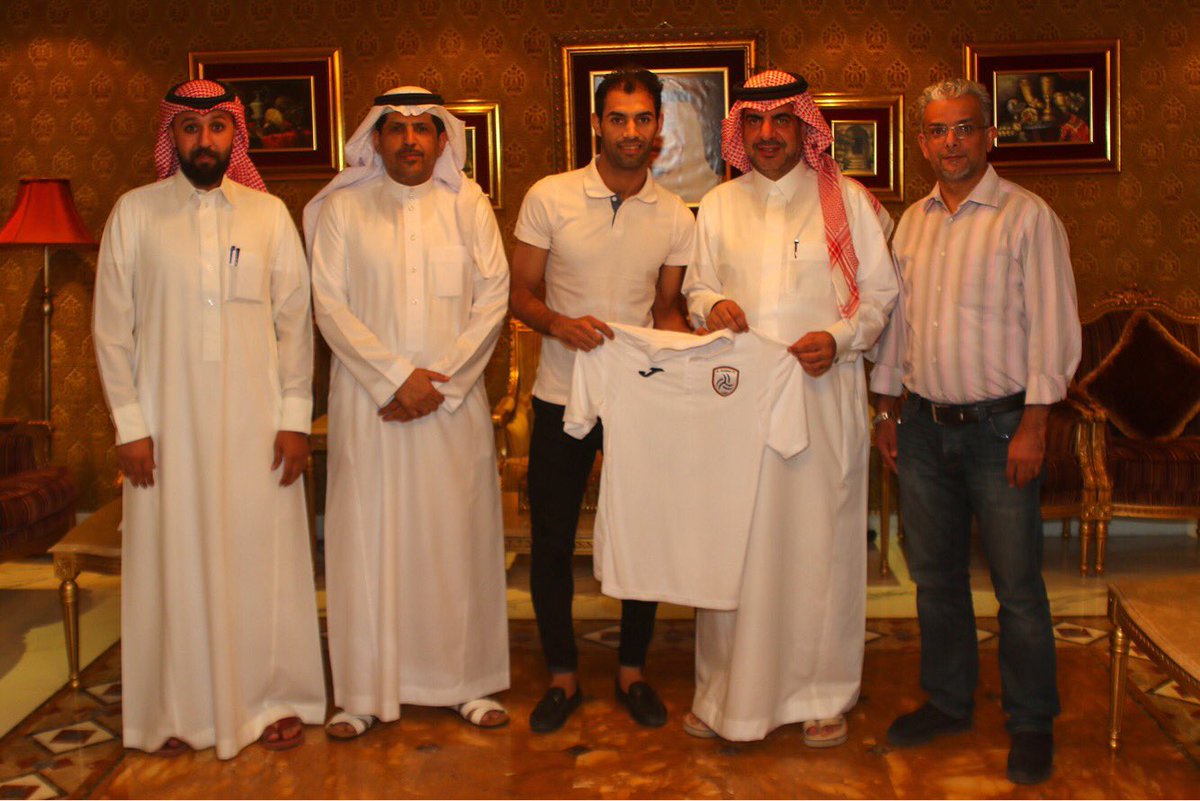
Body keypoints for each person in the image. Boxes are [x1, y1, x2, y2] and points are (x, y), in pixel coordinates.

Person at [92, 79, 325, 759]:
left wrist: (295, 419)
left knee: (262, 560)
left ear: (235, 137)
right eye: (190, 129)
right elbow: (111, 330)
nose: (204, 141)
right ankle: (175, 708)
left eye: (217, 128)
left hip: (257, 428)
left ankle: (273, 698)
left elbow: (295, 324)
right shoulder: (134, 213)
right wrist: (130, 426)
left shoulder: (268, 215)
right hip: (165, 430)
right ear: (172, 136)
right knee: (173, 561)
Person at [871, 78, 1080, 785]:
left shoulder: (1027, 217)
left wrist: (1035, 423)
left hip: (1002, 430)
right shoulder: (912, 222)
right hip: (923, 429)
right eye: (938, 130)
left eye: (964, 127)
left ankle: (1031, 721)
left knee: (1017, 587)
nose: (951, 142)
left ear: (989, 135)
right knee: (935, 579)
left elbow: (1053, 326)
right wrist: (886, 409)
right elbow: (898, 326)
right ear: (922, 142)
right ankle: (949, 700)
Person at [682, 69, 898, 746]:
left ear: (806, 127)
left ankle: (821, 691)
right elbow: (695, 288)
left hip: (821, 397)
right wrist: (711, 305)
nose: (768, 134)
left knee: (818, 546)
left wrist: (839, 339)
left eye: (782, 120)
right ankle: (724, 693)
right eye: (755, 121)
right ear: (739, 131)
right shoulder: (719, 205)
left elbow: (880, 296)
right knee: (736, 545)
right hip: (737, 403)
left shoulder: (847, 202)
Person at [304, 87, 511, 738]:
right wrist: (397, 378)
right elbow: (328, 304)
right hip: (372, 407)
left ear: (443, 139)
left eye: (424, 128)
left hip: (450, 407)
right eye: (397, 128)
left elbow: (494, 298)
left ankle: (465, 683)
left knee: (456, 543)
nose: (411, 140)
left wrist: (438, 383)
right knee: (367, 543)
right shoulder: (344, 209)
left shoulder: (468, 205)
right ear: (376, 138)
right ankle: (363, 692)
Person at [509, 67, 695, 733]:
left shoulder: (675, 215)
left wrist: (700, 356)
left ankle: (632, 671)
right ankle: (562, 676)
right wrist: (559, 324)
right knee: (552, 540)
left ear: (658, 128)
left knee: (641, 536)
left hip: (639, 402)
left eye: (643, 119)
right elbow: (518, 292)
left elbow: (667, 311)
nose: (630, 131)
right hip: (561, 395)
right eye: (618, 118)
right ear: (597, 124)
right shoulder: (550, 197)